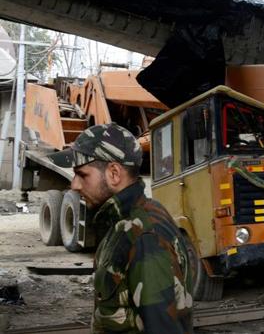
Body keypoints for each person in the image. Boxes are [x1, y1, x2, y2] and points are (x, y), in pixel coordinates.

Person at [49, 123, 194, 334]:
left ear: (114, 173)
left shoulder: (144, 236)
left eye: (82, 174)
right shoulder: (123, 223)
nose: (74, 185)